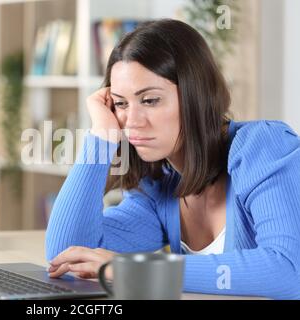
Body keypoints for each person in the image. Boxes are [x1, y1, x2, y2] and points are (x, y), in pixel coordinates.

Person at [44, 19, 300, 299]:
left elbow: (288, 270)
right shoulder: (158, 189)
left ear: (195, 95)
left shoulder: (263, 146)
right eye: (120, 103)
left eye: (150, 100)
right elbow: (66, 258)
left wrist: (135, 270)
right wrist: (101, 136)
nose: (132, 121)